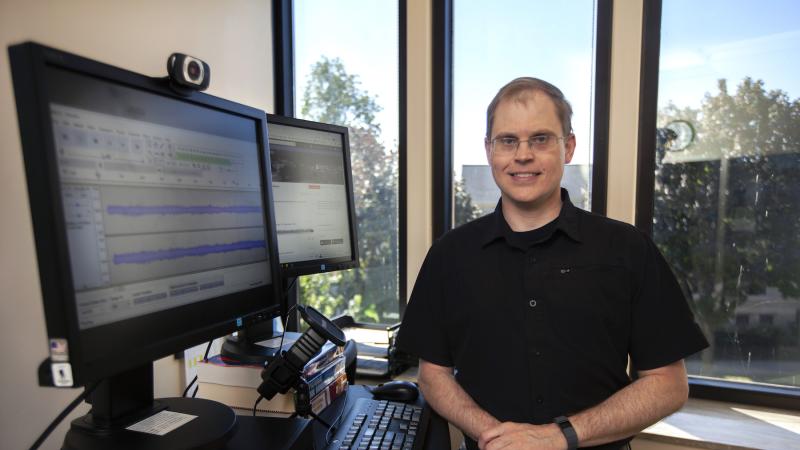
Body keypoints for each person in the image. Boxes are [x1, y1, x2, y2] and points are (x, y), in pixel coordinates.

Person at [396, 77, 708, 450]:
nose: (522, 155)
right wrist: (495, 435)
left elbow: (668, 384)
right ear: (489, 150)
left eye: (541, 139)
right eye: (507, 140)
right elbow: (433, 376)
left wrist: (560, 436)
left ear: (569, 147)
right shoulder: (450, 255)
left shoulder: (627, 249)